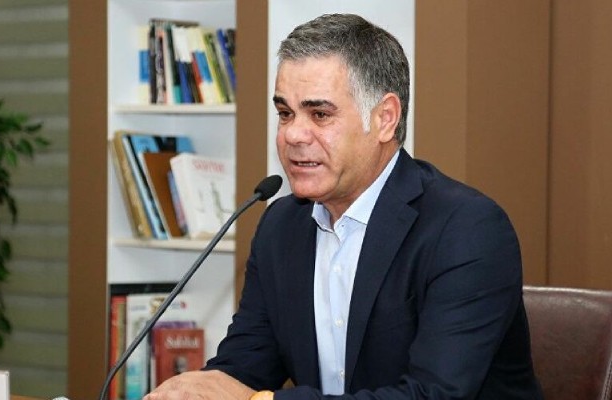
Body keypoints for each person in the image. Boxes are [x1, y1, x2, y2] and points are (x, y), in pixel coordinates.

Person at [145, 13, 543, 400]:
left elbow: (433, 394)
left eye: (320, 114)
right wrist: (194, 392)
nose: (293, 135)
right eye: (285, 114)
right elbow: (245, 366)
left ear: (385, 118)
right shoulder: (281, 226)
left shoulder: (465, 229)